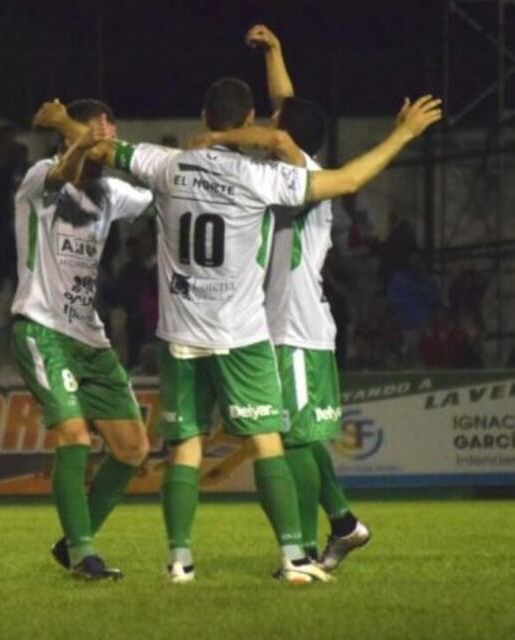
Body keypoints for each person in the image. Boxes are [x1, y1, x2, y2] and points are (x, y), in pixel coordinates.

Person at [36, 75, 440, 583]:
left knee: (185, 446)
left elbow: (99, 144)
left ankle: (179, 563)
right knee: (271, 438)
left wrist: (61, 123)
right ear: (248, 121)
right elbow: (348, 180)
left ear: (203, 117)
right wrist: (402, 134)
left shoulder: (166, 164)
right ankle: (295, 556)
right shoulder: (260, 179)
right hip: (245, 332)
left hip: (181, 331)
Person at [241, 23, 371, 571]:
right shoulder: (287, 169)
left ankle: (304, 553)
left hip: (296, 326)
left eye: (274, 126)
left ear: (285, 138)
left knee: (291, 438)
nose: (268, 123)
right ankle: (344, 525)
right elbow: (286, 105)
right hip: (279, 323)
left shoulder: (302, 172)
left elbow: (281, 121)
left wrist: (219, 135)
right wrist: (276, 50)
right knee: (299, 433)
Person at [15, 99, 154, 580]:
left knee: (133, 450)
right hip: (41, 327)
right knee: (73, 435)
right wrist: (78, 137)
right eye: (101, 135)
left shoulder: (110, 192)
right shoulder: (39, 179)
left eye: (111, 136)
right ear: (72, 137)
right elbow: (66, 170)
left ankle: (74, 541)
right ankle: (83, 554)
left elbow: (160, 194)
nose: (107, 144)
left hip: (88, 336)